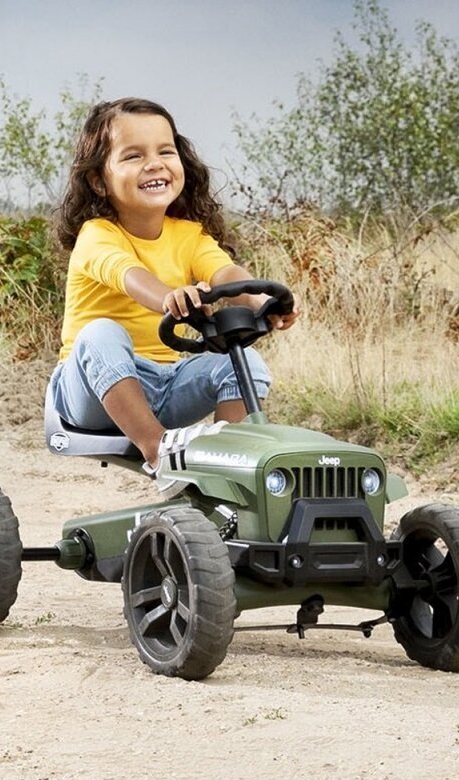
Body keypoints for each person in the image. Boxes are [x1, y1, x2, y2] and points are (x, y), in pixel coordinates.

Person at [51, 97, 299, 495]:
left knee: (246, 362)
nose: (154, 163)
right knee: (101, 333)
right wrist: (170, 296)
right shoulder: (97, 234)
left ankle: (231, 467)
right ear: (98, 180)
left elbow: (227, 273)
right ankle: (158, 453)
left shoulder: (188, 235)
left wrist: (261, 303)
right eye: (133, 156)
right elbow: (128, 276)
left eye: (165, 151)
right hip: (89, 390)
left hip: (164, 383)